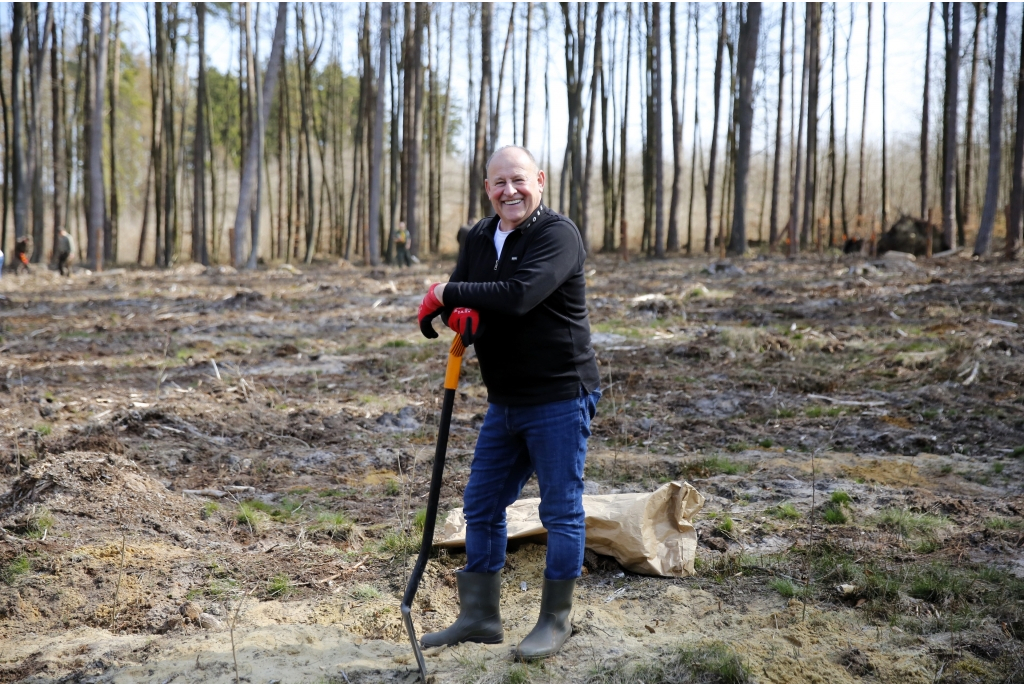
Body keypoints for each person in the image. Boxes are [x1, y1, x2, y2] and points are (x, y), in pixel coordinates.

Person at [416, 145, 601, 659]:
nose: (509, 191)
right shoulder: (479, 235)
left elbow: (519, 294)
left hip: (560, 394)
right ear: (487, 188)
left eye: (518, 180)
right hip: (506, 399)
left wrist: (444, 293)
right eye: (498, 183)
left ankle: (554, 621)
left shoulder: (557, 235)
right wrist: (459, 317)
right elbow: (471, 297)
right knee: (481, 504)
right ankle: (480, 616)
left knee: (560, 510)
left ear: (539, 180)